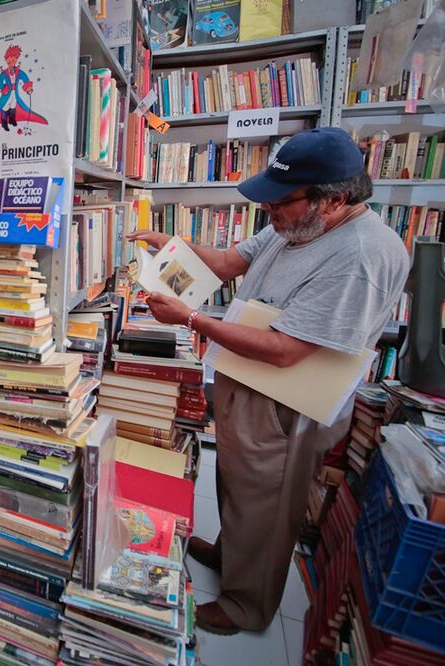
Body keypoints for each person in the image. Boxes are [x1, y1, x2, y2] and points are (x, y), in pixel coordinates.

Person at [127, 128, 409, 635]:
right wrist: (172, 246)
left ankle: (246, 605)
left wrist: (190, 319)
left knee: (268, 503)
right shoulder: (295, 222)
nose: (268, 211)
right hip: (248, 378)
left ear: (334, 200)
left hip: (285, 402)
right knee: (240, 486)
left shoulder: (361, 256)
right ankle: (231, 555)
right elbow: (228, 263)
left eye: (279, 202)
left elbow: (286, 351)